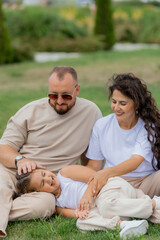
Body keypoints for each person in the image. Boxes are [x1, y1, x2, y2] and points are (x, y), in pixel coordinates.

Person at [0, 66, 102, 238]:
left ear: (77, 90)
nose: (59, 101)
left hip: (47, 184)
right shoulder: (30, 111)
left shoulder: (91, 113)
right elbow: (3, 148)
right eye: (53, 95)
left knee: (45, 207)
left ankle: (4, 206)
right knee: (1, 187)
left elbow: (92, 163)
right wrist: (20, 160)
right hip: (12, 170)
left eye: (66, 96)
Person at [15, 165, 160, 240]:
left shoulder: (65, 173)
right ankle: (124, 225)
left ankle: (153, 203)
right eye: (42, 183)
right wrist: (81, 213)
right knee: (82, 223)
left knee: (106, 206)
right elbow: (76, 215)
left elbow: (96, 177)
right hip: (107, 208)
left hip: (109, 188)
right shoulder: (58, 205)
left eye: (44, 174)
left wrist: (87, 195)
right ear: (40, 193)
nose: (48, 179)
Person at [85, 73, 160, 198]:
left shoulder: (148, 126)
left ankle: (141, 204)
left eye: (123, 103)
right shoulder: (101, 125)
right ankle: (146, 205)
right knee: (67, 173)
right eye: (114, 102)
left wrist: (106, 172)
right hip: (115, 183)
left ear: (136, 104)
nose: (116, 108)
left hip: (146, 182)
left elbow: (135, 161)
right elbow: (94, 166)